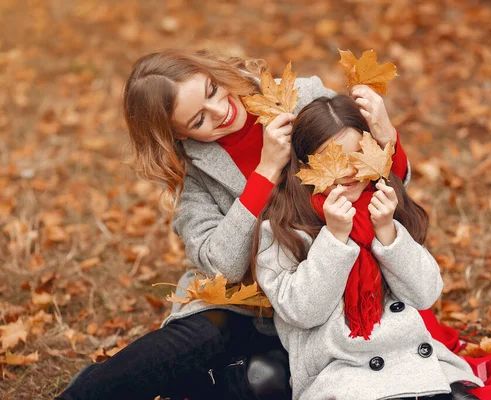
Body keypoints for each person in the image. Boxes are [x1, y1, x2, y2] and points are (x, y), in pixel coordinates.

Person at [57, 49, 412, 400]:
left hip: (325, 289)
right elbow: (220, 266)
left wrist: (386, 137)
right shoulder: (193, 175)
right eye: (198, 120)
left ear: (215, 72)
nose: (221, 111)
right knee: (202, 337)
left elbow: (391, 193)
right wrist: (266, 171)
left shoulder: (303, 99)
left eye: (213, 90)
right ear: (178, 135)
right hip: (252, 301)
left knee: (267, 378)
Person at [252, 94, 485, 399]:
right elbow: (304, 312)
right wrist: (334, 239)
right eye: (329, 159)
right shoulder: (283, 230)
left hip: (411, 361)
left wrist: (387, 231)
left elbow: (425, 294)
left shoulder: (384, 204)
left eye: (357, 156)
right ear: (304, 165)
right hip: (340, 371)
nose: (347, 172)